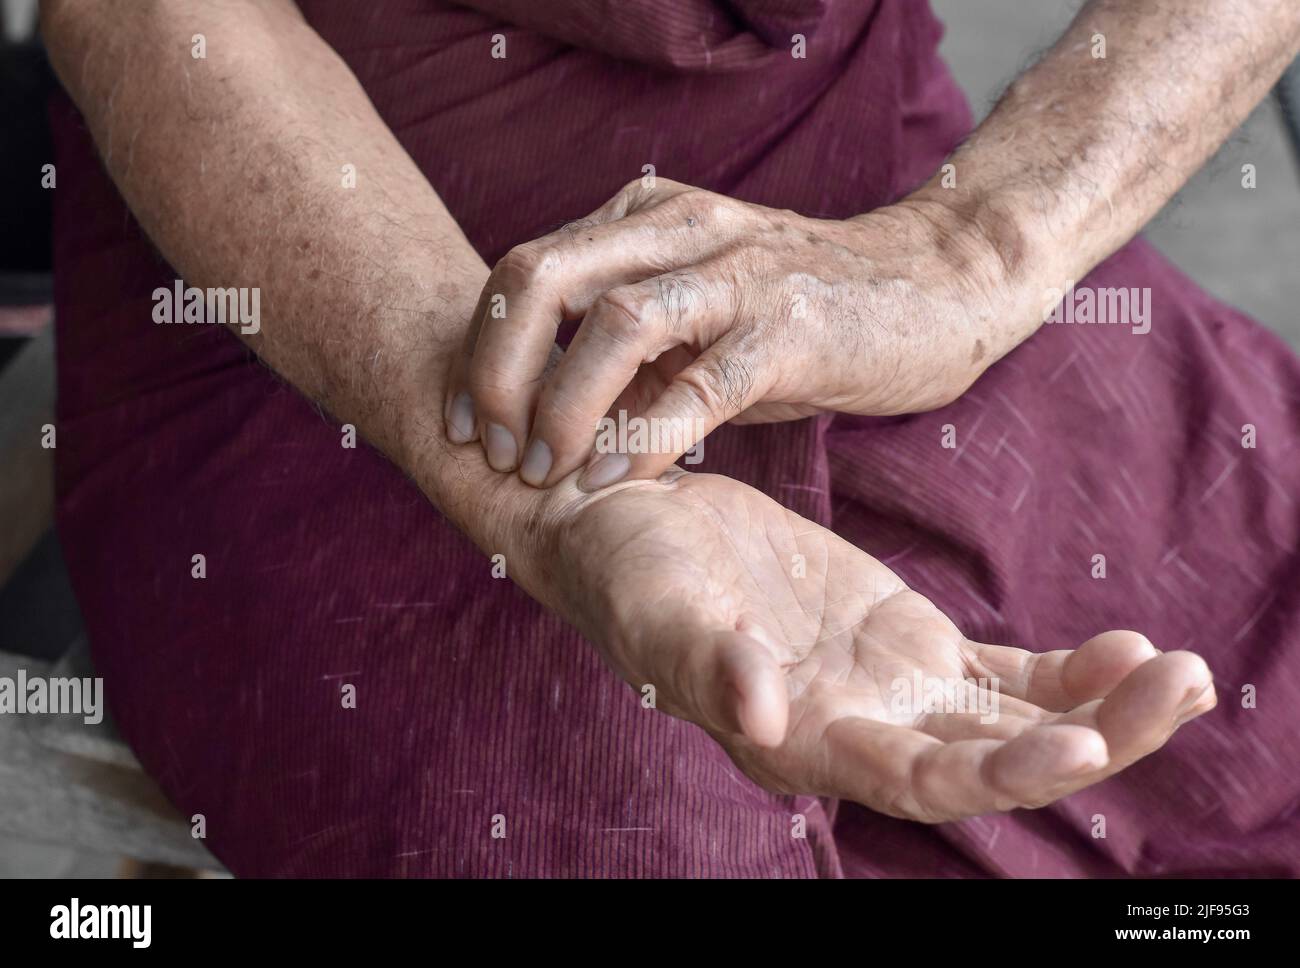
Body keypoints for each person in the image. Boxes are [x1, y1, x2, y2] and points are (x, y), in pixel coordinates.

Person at [39, 0, 1300, 876]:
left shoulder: (948, 249)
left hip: (875, 226)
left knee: (1238, 690)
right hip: (323, 298)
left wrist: (973, 254)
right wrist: (516, 466)